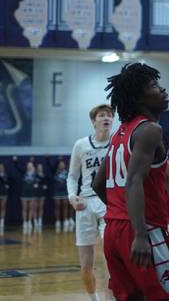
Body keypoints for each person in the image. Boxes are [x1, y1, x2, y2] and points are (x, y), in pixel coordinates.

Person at [92, 63, 169, 301]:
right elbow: (133, 180)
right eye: (154, 86)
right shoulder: (150, 130)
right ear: (138, 97)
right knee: (167, 298)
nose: (162, 89)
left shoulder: (120, 133)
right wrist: (141, 234)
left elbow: (97, 184)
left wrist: (120, 212)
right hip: (143, 229)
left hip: (113, 230)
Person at [68, 104, 113, 301]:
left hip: (109, 205)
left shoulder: (118, 143)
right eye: (102, 115)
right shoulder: (81, 145)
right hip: (85, 204)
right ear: (93, 121)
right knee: (86, 265)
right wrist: (71, 196)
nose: (107, 118)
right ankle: (93, 298)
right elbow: (71, 176)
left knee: (111, 262)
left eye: (110, 115)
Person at [49, 158, 70, 231]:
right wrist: (48, 159)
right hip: (57, 192)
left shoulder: (67, 172)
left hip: (65, 191)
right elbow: (49, 166)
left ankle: (65, 220)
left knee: (65, 206)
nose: (61, 165)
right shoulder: (55, 171)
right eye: (60, 164)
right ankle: (58, 221)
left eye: (62, 164)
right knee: (57, 206)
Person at [0, 162, 9, 234]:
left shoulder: (6, 175)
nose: (1, 168)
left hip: (4, 193)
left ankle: (1, 222)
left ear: (4, 168)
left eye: (2, 167)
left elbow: (7, 183)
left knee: (3, 208)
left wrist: (7, 186)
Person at [35, 162, 48, 230]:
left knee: (40, 207)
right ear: (37, 168)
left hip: (42, 193)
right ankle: (35, 221)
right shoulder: (35, 175)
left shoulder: (44, 175)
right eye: (38, 167)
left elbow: (45, 184)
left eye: (40, 167)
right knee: (35, 207)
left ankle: (40, 221)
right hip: (36, 193)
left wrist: (45, 186)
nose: (39, 168)